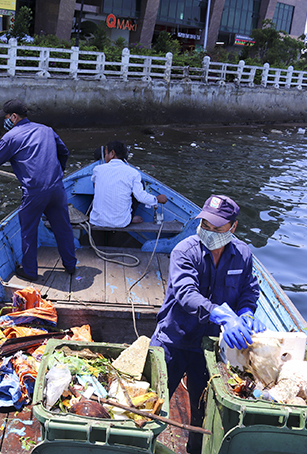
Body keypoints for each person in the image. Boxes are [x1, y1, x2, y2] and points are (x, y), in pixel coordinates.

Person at [149, 194, 265, 454]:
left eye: (217, 228)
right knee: (152, 406)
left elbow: (249, 290)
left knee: (203, 414)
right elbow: (186, 293)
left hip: (211, 349)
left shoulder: (243, 255)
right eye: (205, 226)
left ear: (233, 227)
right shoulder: (184, 251)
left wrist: (246, 312)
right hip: (174, 340)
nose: (209, 232)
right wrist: (220, 314)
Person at [0, 99, 77, 281]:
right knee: (63, 228)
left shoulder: (11, 137)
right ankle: (70, 265)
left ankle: (30, 271)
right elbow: (64, 152)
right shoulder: (47, 130)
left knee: (28, 231)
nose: (5, 121)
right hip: (57, 187)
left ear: (13, 116)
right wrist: (57, 172)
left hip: (34, 191)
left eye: (6, 117)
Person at [89, 140, 167, 229]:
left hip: (96, 220)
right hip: (121, 222)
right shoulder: (132, 173)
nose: (105, 156)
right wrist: (156, 199)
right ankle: (129, 217)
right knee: (139, 185)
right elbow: (140, 197)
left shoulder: (97, 169)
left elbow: (95, 185)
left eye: (106, 154)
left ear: (112, 153)